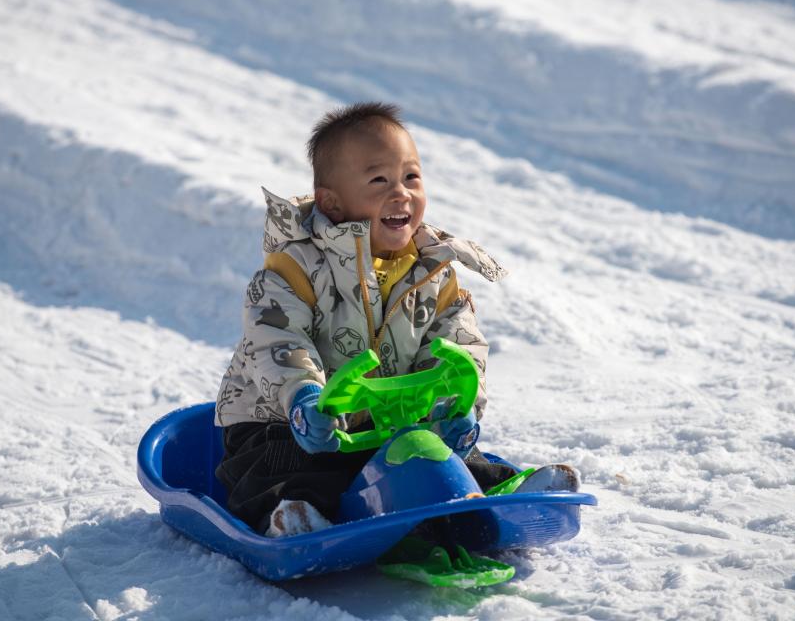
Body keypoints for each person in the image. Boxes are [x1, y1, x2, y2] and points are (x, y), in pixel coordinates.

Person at [214, 102, 579, 537]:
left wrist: (455, 402)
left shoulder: (433, 269)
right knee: (279, 469)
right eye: (378, 180)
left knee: (440, 457)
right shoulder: (296, 267)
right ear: (332, 202)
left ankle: (503, 498)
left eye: (411, 176)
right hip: (288, 422)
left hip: (388, 425)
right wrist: (303, 400)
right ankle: (290, 518)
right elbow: (277, 339)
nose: (401, 192)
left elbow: (459, 341)